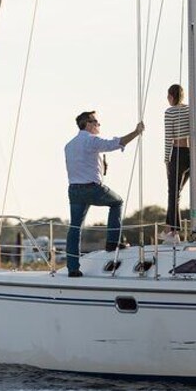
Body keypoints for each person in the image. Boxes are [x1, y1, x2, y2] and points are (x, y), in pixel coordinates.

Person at [64, 111, 144, 277]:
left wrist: (101, 168)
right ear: (88, 124)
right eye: (97, 122)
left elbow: (81, 165)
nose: (99, 125)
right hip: (91, 188)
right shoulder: (91, 140)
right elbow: (115, 143)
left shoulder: (69, 145)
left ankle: (72, 268)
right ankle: (112, 242)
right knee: (117, 202)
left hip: (74, 189)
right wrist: (136, 132)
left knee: (75, 227)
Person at [162, 84, 190, 242]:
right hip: (191, 153)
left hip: (177, 154)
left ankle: (174, 232)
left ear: (171, 97)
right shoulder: (189, 110)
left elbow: (168, 138)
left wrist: (166, 159)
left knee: (173, 193)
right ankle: (168, 228)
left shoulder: (170, 112)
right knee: (176, 193)